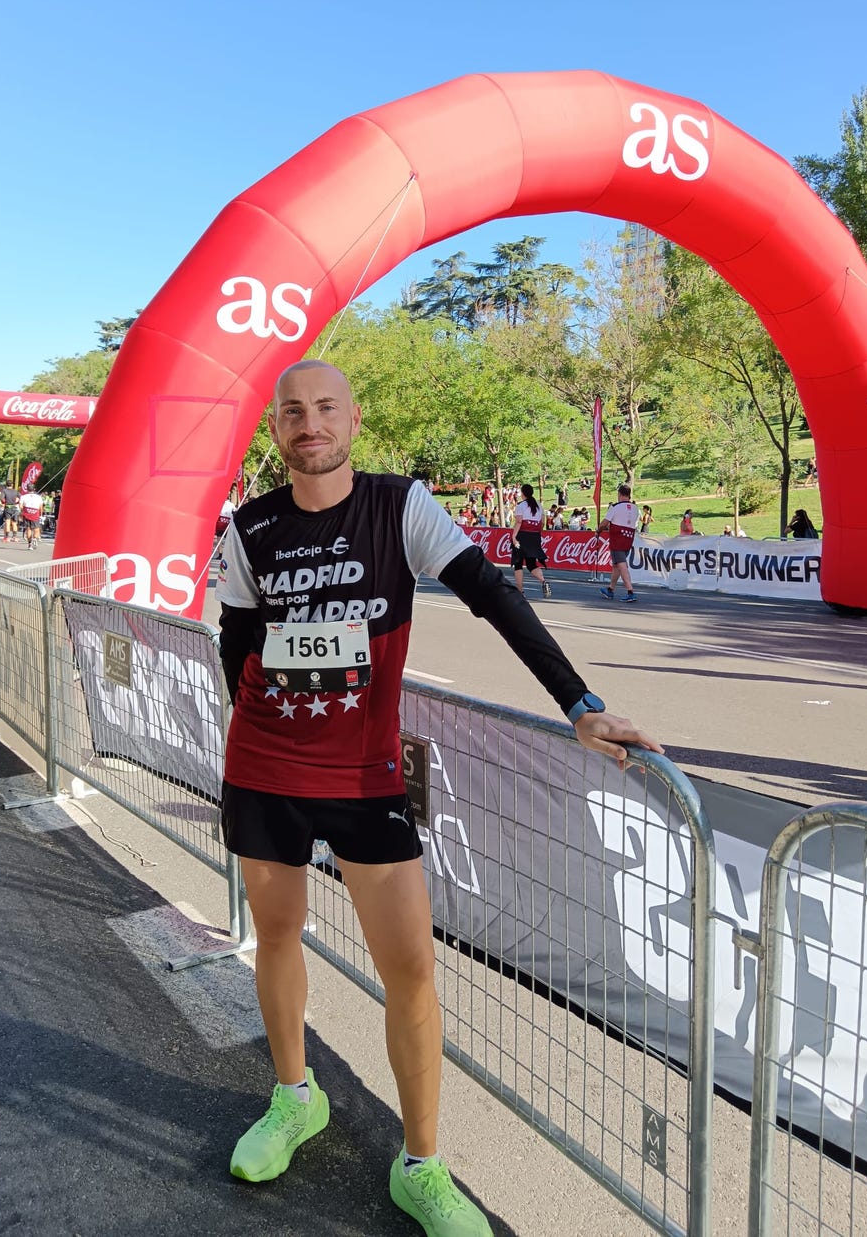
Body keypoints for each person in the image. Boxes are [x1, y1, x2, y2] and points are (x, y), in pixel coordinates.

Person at [217, 360, 662, 1236]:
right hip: (264, 767)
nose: (311, 424)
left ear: (353, 417)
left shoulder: (397, 506)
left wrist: (581, 705)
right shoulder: (251, 526)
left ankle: (420, 1164)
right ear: (277, 429)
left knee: (410, 970)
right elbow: (235, 641)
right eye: (294, 412)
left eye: (326, 408)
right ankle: (294, 1097)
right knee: (275, 935)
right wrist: (278, 720)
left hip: (365, 778)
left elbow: (495, 598)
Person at [597, 483, 639, 603]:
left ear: (619, 494)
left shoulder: (615, 507)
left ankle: (630, 591)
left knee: (621, 564)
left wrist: (598, 531)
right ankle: (610, 589)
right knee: (616, 565)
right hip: (629, 537)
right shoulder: (635, 508)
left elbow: (604, 523)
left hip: (617, 538)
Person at [511, 483, 551, 598]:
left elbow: (519, 522)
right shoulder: (539, 505)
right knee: (531, 563)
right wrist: (537, 534)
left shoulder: (521, 506)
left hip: (522, 536)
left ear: (523, 493)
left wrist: (514, 537)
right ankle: (543, 580)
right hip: (534, 536)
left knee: (518, 563)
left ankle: (520, 590)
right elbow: (542, 523)